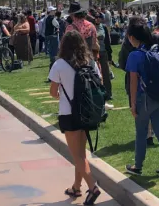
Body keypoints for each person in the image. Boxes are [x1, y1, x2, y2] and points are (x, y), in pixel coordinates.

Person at [48, 31, 103, 205]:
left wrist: (62, 96)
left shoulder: (59, 64)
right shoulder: (91, 62)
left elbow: (53, 92)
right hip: (86, 111)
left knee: (77, 156)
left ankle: (92, 187)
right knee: (81, 154)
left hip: (69, 113)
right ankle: (76, 186)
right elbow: (99, 82)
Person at [124, 18, 159, 176]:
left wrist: (132, 104)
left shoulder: (134, 55)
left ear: (133, 37)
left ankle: (137, 166)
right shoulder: (156, 51)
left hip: (144, 98)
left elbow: (133, 82)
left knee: (141, 132)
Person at [94, 12, 113, 103]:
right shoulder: (91, 27)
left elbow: (107, 42)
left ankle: (109, 93)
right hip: (94, 53)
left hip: (103, 52)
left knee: (106, 73)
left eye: (99, 17)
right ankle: (98, 94)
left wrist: (110, 56)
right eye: (96, 17)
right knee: (96, 74)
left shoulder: (104, 27)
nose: (97, 19)